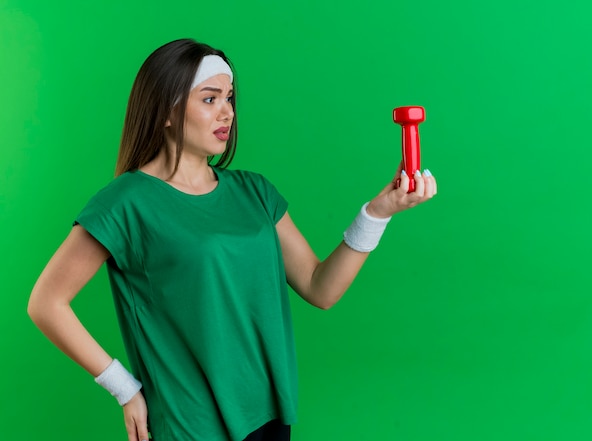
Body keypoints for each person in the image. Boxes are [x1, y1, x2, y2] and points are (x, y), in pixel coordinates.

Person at [27, 38, 437, 441]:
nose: (227, 112)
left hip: (269, 415)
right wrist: (125, 388)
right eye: (209, 99)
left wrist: (377, 213)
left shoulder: (253, 192)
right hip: (191, 424)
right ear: (166, 111)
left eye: (230, 98)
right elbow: (46, 302)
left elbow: (320, 287)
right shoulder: (126, 203)